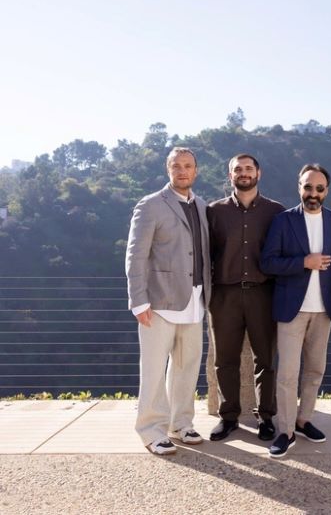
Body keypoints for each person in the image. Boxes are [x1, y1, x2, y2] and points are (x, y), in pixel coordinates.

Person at [125, 147, 212, 455]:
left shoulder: (201, 205)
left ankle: (180, 423)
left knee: (187, 368)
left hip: (195, 300)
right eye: (176, 166)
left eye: (188, 166)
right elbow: (136, 255)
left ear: (196, 171)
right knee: (153, 370)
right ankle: (151, 430)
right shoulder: (150, 205)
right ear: (168, 169)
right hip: (158, 302)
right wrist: (138, 300)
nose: (182, 171)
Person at [260, 163, 331, 458]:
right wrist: (303, 262)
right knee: (287, 373)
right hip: (291, 310)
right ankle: (285, 431)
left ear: (326, 191)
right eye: (308, 187)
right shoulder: (283, 221)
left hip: (324, 310)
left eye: (319, 189)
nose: (313, 193)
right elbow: (268, 262)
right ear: (299, 187)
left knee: (315, 370)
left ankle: (303, 420)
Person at [206, 154, 285, 442]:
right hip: (224, 295)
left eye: (248, 168)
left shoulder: (276, 211)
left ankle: (266, 417)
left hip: (263, 293)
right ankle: (228, 418)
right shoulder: (214, 211)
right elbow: (206, 253)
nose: (243, 173)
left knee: (265, 359)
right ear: (230, 176)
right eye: (237, 169)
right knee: (225, 359)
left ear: (258, 173)